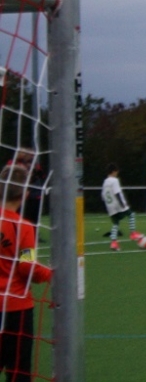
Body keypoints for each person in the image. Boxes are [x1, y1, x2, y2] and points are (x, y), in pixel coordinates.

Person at [0, 164, 52, 382]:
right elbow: (26, 266)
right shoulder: (23, 227)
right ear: (25, 193)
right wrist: (50, 274)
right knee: (18, 372)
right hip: (16, 310)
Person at [101, 164, 144, 251]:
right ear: (113, 171)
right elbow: (117, 192)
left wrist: (108, 205)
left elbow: (103, 195)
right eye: (117, 171)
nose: (117, 173)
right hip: (118, 204)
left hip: (110, 206)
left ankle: (114, 243)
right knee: (131, 214)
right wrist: (122, 203)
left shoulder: (105, 182)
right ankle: (133, 233)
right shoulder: (114, 180)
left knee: (115, 223)